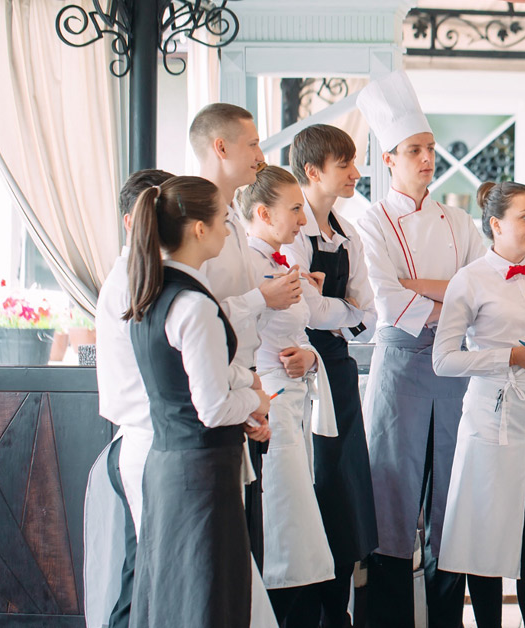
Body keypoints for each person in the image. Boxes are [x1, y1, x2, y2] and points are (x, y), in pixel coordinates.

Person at [353, 71, 487, 627]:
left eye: (430, 149)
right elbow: (383, 301)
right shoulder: (370, 221)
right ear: (389, 159)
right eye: (414, 151)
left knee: (450, 504)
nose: (427, 159)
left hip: (454, 370)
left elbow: (484, 290)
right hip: (400, 371)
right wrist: (451, 295)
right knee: (391, 502)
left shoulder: (458, 220)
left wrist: (427, 289)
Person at [123, 176, 273, 628]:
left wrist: (243, 377)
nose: (230, 231)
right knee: (207, 598)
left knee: (171, 594)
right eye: (224, 220)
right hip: (202, 475)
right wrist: (255, 397)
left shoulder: (151, 295)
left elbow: (188, 373)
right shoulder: (194, 306)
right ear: (199, 230)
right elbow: (210, 409)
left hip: (166, 465)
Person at [434, 181, 525, 628]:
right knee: (487, 533)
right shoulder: (469, 279)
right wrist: (508, 356)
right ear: (496, 224)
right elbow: (444, 359)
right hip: (491, 417)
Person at [241, 165, 357, 624]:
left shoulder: (282, 262)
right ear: (263, 213)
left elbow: (302, 330)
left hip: (295, 401)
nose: (302, 220)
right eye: (294, 210)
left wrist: (308, 356)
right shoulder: (248, 265)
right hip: (269, 405)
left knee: (301, 529)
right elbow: (236, 334)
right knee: (286, 530)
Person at [190, 102, 302, 571]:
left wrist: (253, 393)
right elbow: (198, 315)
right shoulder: (191, 218)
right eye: (252, 143)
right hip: (210, 395)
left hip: (245, 384)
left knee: (249, 540)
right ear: (221, 147)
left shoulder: (233, 218)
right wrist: (262, 298)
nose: (261, 153)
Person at [284, 123, 380, 627]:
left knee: (343, 498)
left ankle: (337, 613)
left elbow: (370, 318)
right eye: (344, 164)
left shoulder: (348, 234)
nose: (355, 173)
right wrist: (343, 310)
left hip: (339, 375)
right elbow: (305, 309)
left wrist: (336, 308)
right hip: (300, 368)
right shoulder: (291, 230)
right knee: (310, 492)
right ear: (312, 171)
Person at [92, 168, 173, 628]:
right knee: (145, 574)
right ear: (132, 221)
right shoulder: (132, 280)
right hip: (144, 441)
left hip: (149, 439)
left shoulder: (149, 274)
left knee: (142, 571)